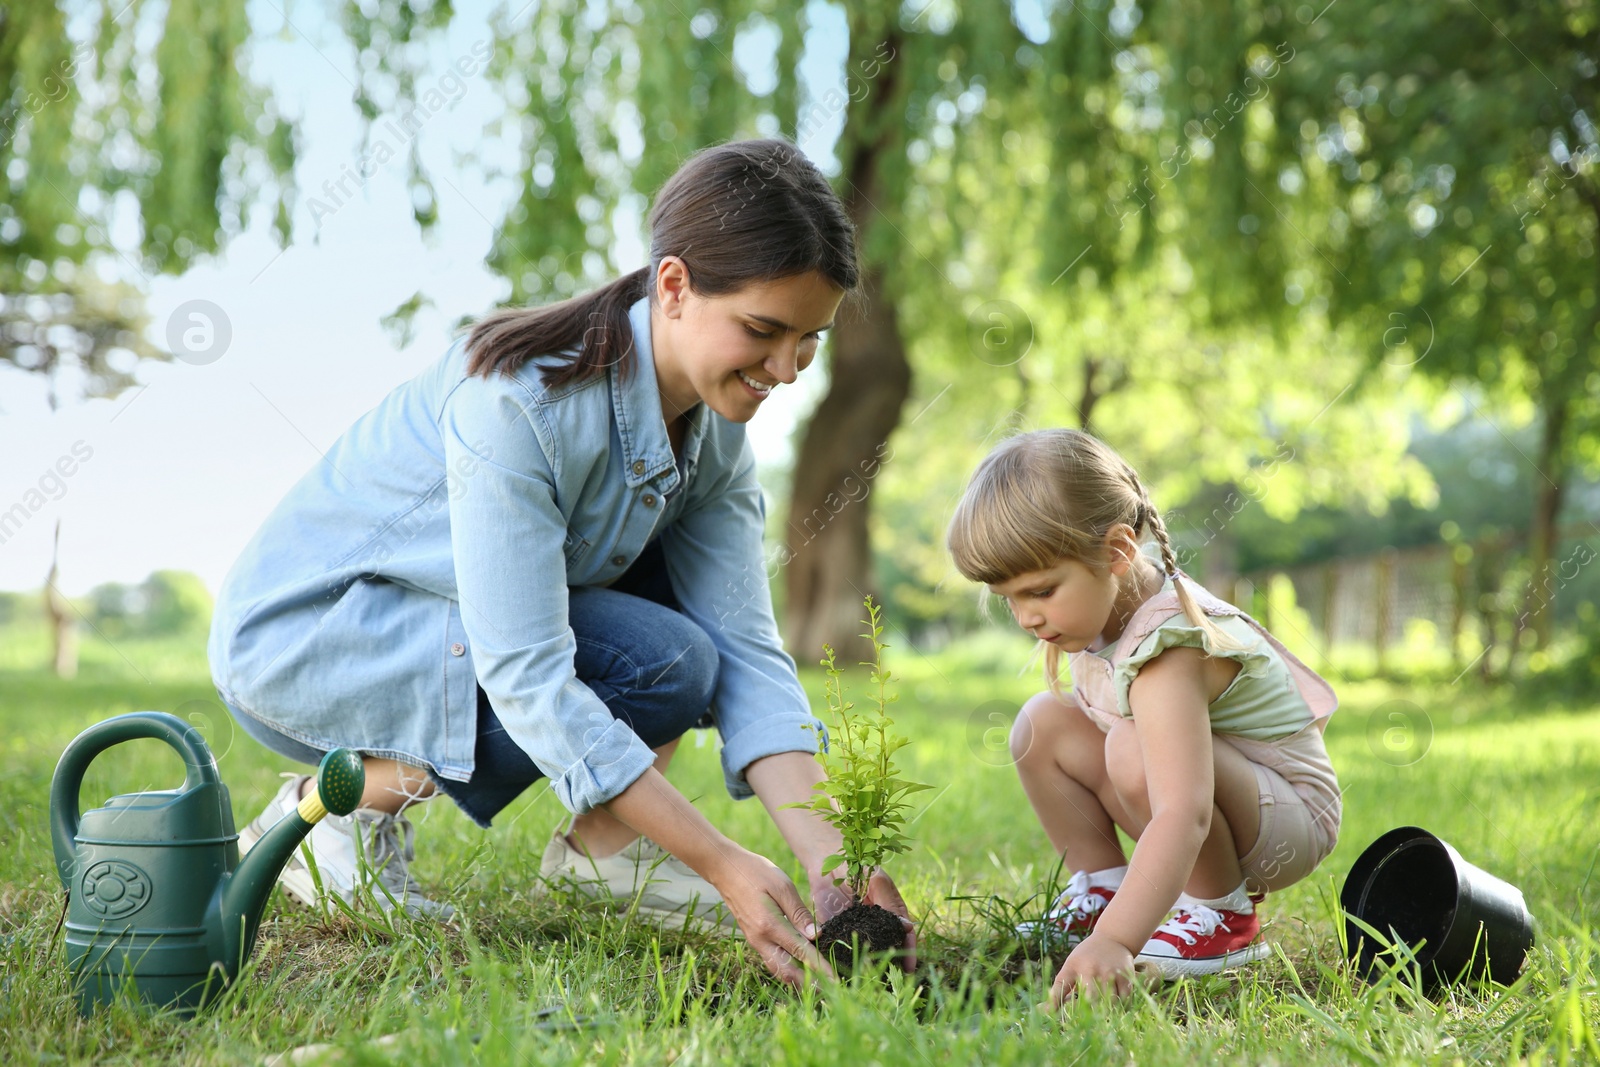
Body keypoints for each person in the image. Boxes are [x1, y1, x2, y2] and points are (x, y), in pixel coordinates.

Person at [208, 138, 913, 987]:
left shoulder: (715, 431)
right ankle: (333, 812)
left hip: (440, 632)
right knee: (669, 660)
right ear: (676, 286)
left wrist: (834, 861)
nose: (787, 370)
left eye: (810, 340)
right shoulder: (520, 405)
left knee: (694, 651)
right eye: (763, 331)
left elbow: (748, 652)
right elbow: (530, 675)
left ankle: (604, 852)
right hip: (313, 640)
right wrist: (725, 862)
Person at [946, 428, 1340, 1001]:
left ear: (1117, 551)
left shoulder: (1168, 647)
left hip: (1285, 818)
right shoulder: (1093, 617)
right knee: (1042, 724)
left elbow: (1185, 813)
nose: (1026, 616)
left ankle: (1221, 915)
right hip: (1226, 800)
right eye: (1009, 598)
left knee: (1128, 747)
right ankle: (1103, 884)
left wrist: (1117, 942)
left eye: (1042, 590)